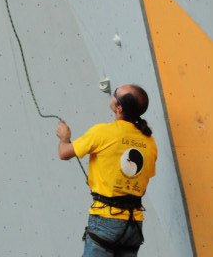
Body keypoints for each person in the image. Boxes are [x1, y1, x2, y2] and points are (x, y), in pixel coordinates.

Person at [57, 85, 157, 256]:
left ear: (119, 108)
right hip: (134, 224)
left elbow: (64, 153)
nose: (113, 93)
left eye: (115, 93)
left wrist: (64, 138)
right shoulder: (149, 142)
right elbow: (142, 184)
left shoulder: (103, 132)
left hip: (106, 220)